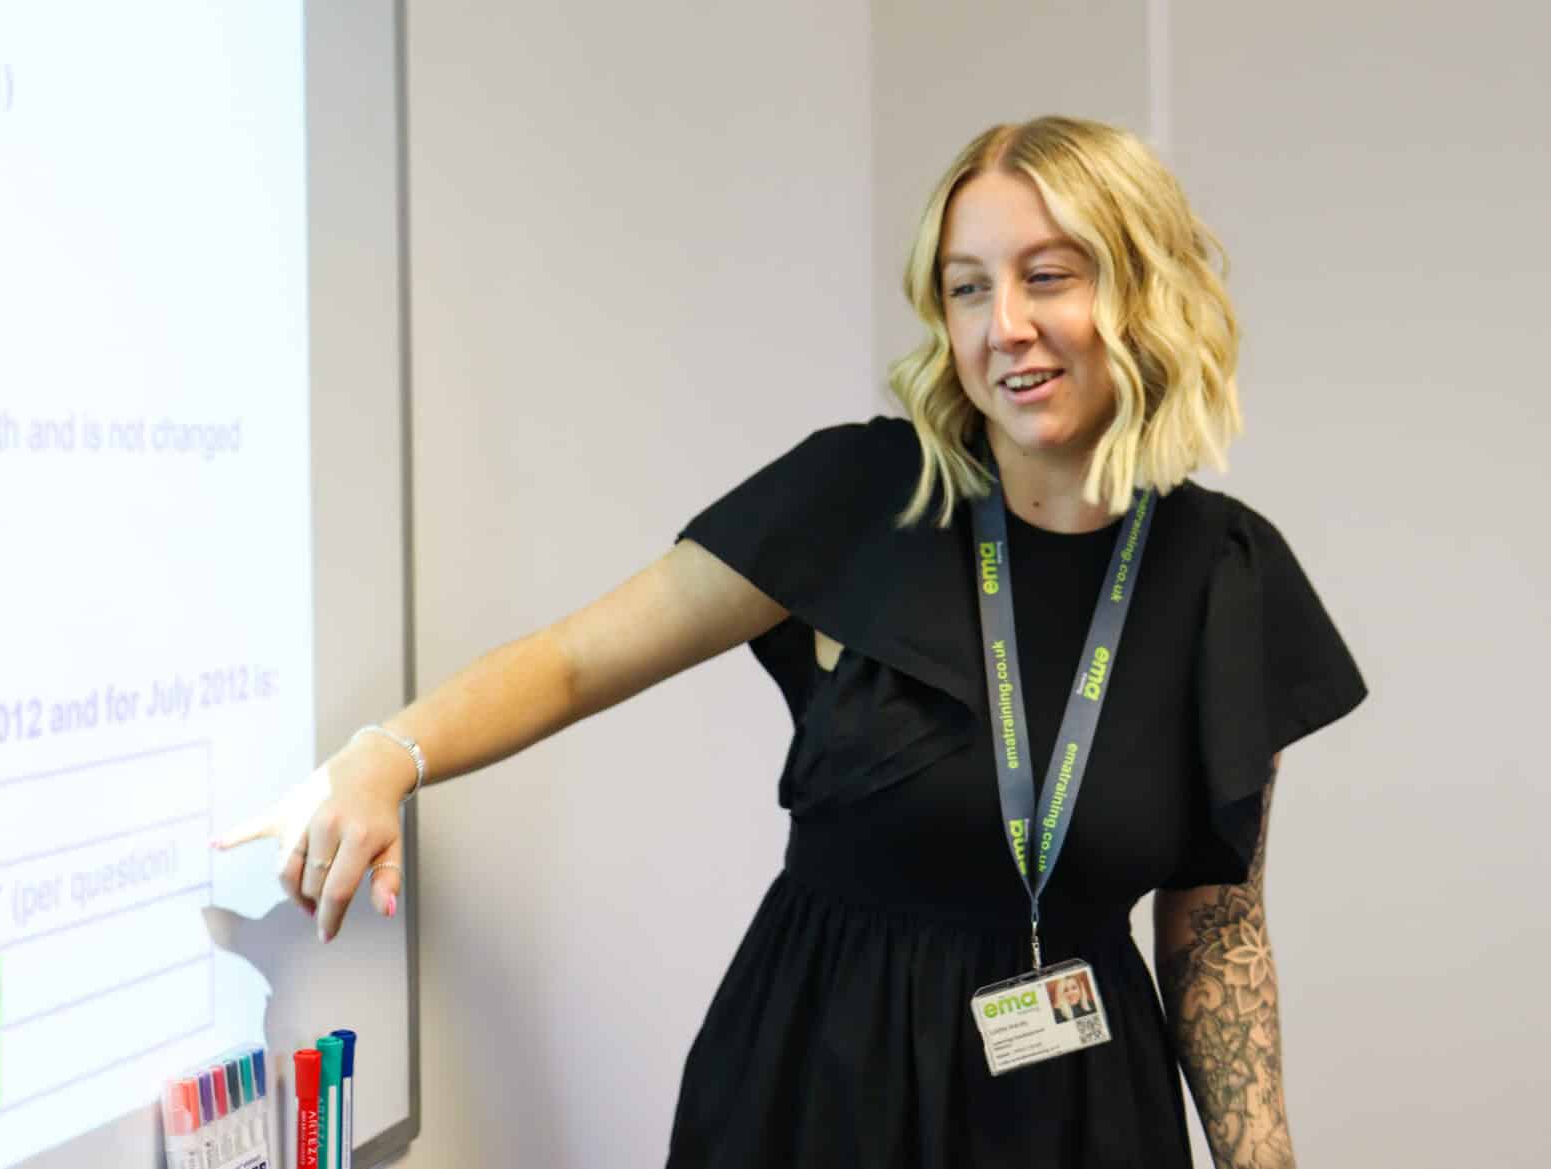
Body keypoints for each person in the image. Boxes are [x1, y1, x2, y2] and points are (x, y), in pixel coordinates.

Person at [215, 114, 1367, 1168]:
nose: (1002, 326)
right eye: (966, 290)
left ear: (1142, 287)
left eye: (1047, 277)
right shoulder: (862, 496)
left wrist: (1263, 1160)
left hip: (1077, 1110)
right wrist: (384, 756)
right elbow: (573, 660)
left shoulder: (1227, 575)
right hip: (820, 1083)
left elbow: (1216, 923)